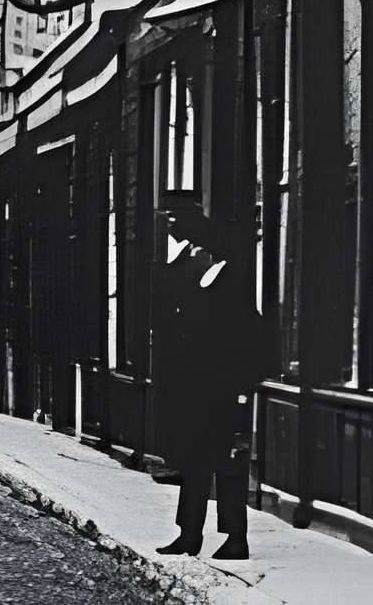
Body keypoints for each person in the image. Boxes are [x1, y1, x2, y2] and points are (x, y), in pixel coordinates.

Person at [155, 201, 262, 562]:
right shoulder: (198, 278)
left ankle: (236, 538)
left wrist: (242, 393)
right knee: (195, 463)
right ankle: (189, 534)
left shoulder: (232, 283)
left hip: (226, 392)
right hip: (197, 391)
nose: (193, 250)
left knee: (230, 467)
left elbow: (249, 339)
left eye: (198, 244)